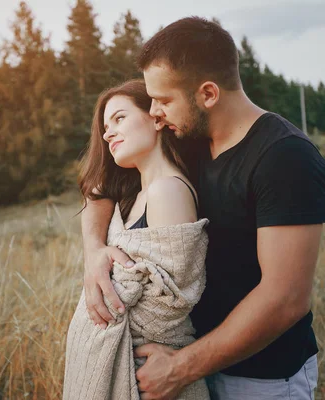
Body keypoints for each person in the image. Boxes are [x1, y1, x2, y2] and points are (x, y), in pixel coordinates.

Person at [81, 17, 325, 400]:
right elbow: (98, 190)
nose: (155, 112)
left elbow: (286, 299)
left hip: (261, 380)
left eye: (164, 100)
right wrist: (94, 253)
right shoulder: (189, 141)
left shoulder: (285, 158)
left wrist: (180, 369)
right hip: (187, 368)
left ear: (208, 94)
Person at [63, 79, 211, 399]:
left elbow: (167, 303)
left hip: (147, 376)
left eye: (119, 118)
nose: (107, 133)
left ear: (157, 118)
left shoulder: (166, 190)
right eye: (105, 126)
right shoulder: (138, 193)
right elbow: (95, 191)